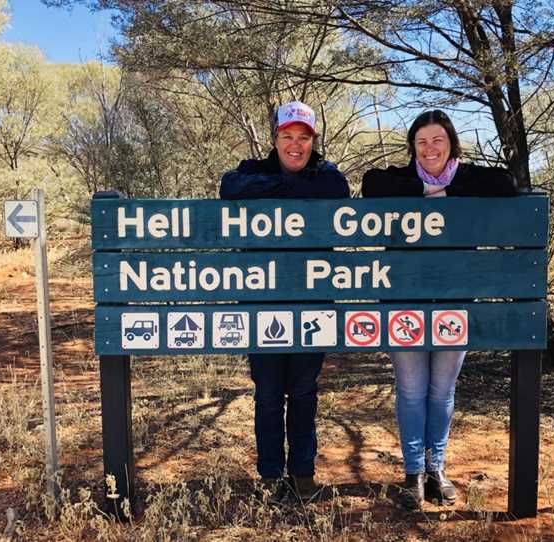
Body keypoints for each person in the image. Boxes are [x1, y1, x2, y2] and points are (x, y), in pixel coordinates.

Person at [361, 109, 518, 510]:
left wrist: (446, 194)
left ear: (451, 144)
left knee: (442, 390)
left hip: (454, 303)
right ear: (412, 147)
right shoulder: (398, 179)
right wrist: (425, 192)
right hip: (404, 302)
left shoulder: (468, 178)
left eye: (438, 141)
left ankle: (437, 469)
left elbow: (507, 183)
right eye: (422, 142)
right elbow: (371, 186)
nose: (430, 149)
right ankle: (413, 473)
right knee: (412, 390)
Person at [220, 101, 350, 503]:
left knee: (305, 391)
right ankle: (271, 476)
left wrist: (275, 191)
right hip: (261, 305)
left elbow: (335, 191)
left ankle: (303, 473)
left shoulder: (327, 175)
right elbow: (229, 187)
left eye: (303, 138)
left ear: (314, 140)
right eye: (287, 137)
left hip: (314, 305)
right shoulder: (251, 170)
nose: (295, 146)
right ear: (274, 138)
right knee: (268, 394)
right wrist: (289, 189)